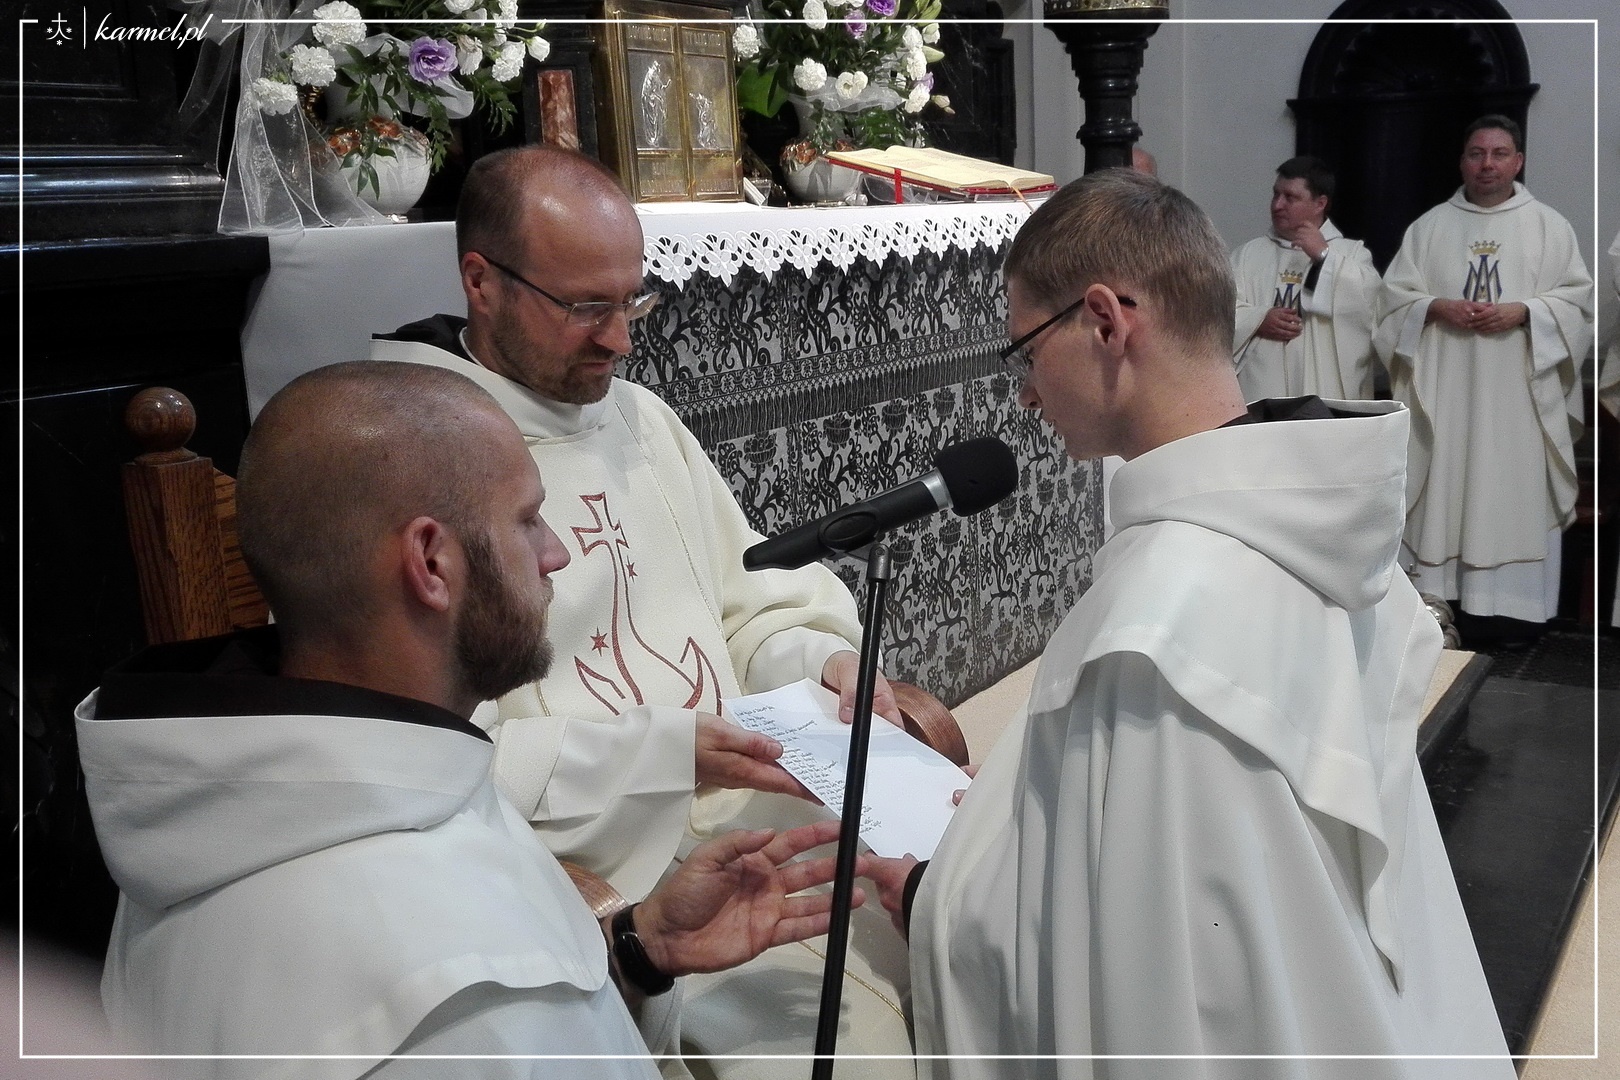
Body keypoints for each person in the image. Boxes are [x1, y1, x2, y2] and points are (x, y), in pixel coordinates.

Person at [861, 169, 1514, 1077]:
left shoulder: (1164, 627)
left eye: (1025, 352)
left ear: (1104, 321)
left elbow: (1147, 983)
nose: (1026, 396)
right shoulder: (1316, 519)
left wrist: (938, 894)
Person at [76, 361, 865, 1076]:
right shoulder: (475, 1011)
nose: (556, 554)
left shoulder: (219, 807)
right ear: (430, 562)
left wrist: (638, 952)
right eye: (527, 520)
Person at [368, 145, 915, 1069]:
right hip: (616, 872)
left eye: (634, 303)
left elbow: (750, 601)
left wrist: (820, 662)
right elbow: (433, 754)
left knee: (971, 930)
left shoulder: (640, 418)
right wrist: (664, 755)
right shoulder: (407, 452)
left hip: (754, 812)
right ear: (481, 281)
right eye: (587, 307)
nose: (620, 340)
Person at [1375, 115, 1593, 640]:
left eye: (1498, 154)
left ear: (1518, 162)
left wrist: (1527, 312)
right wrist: (1434, 307)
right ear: (1462, 162)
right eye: (1476, 154)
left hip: (1519, 398)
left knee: (1510, 489)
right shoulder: (1429, 228)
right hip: (1446, 395)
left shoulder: (1549, 227)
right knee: (1445, 482)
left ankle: (1511, 614)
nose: (1487, 164)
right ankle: (1438, 604)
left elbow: (1579, 306)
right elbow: (1390, 304)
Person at [1230, 155, 1380, 401]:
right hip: (1261, 388)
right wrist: (1258, 319)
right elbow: (1218, 312)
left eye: (1290, 197)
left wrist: (1325, 258)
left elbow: (1373, 311)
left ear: (1320, 203)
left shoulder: (1351, 254)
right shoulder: (1246, 256)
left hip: (1323, 388)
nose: (1277, 205)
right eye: (1276, 194)